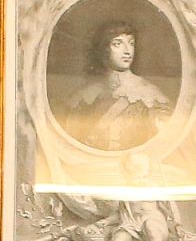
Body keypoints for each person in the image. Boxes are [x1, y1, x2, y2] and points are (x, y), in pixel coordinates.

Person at [60, 20, 172, 151]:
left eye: (131, 43)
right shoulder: (85, 96)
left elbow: (162, 142)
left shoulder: (150, 95)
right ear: (103, 49)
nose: (127, 51)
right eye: (117, 44)